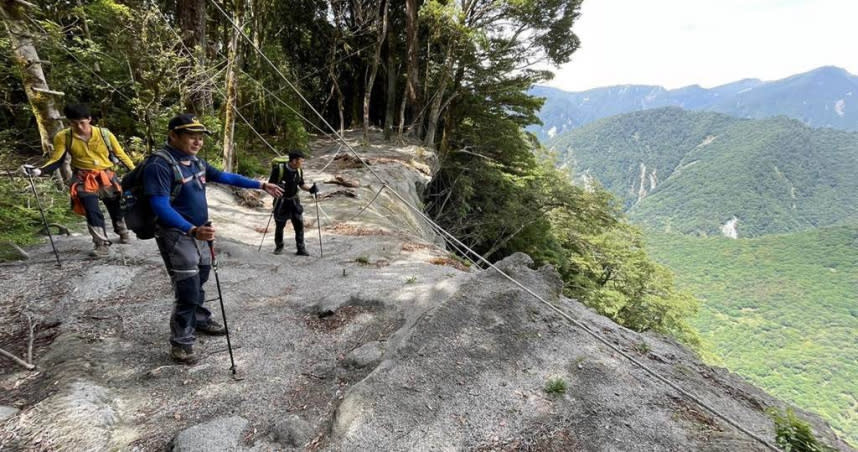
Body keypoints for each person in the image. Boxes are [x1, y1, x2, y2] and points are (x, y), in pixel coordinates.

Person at [144, 113, 283, 364]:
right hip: (178, 234)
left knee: (202, 277)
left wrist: (260, 185)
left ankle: (199, 318)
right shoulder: (159, 166)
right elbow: (159, 206)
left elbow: (224, 177)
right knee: (187, 287)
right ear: (173, 135)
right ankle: (182, 342)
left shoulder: (195, 162)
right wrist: (191, 230)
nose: (197, 142)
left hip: (201, 232)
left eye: (200, 138)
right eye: (191, 137)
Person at [21, 104, 136, 257]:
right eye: (74, 123)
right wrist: (40, 170)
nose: (79, 127)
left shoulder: (104, 134)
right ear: (69, 122)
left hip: (106, 175)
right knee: (91, 210)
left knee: (115, 206)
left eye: (82, 122)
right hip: (83, 177)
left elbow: (120, 154)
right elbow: (57, 159)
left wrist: (135, 172)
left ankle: (122, 231)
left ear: (89, 119)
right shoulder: (64, 137)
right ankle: (101, 244)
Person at [268, 151, 318, 256]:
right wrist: (278, 188)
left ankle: (301, 249)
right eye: (301, 161)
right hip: (281, 201)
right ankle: (279, 247)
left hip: (295, 201)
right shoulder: (279, 169)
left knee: (299, 225)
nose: (302, 163)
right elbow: (269, 185)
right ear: (294, 161)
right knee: (280, 225)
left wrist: (311, 189)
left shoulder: (299, 170)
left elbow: (301, 184)